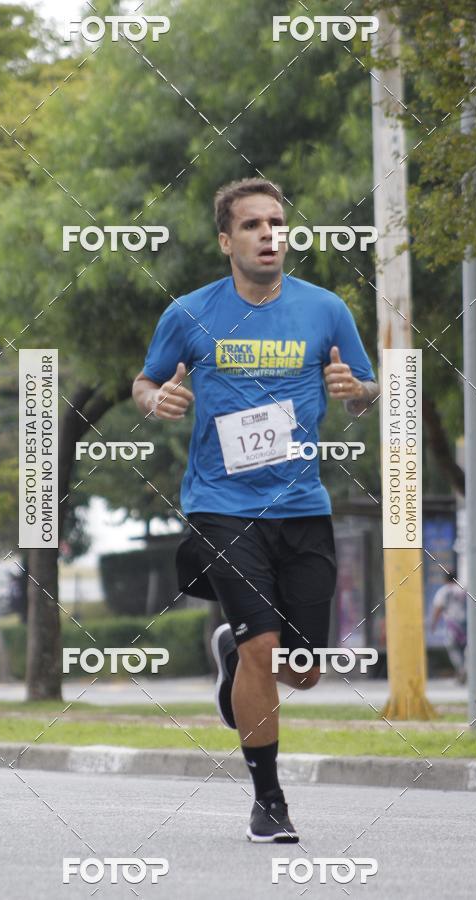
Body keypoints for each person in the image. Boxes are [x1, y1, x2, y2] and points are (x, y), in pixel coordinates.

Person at [132, 177, 379, 842]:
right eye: (252, 225)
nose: (269, 234)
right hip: (221, 504)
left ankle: (230, 656)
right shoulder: (189, 314)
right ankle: (269, 800)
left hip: (301, 505)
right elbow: (146, 380)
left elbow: (364, 390)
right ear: (225, 240)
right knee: (263, 650)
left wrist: (357, 391)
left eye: (276, 222)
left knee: (302, 669)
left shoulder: (326, 310)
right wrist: (155, 401)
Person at [431, 571, 468, 684]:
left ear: (445, 580)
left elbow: (438, 608)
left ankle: (461, 670)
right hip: (465, 624)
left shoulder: (443, 591)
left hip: (452, 625)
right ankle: (465, 670)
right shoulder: (463, 589)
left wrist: (434, 624)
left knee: (453, 648)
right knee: (466, 649)